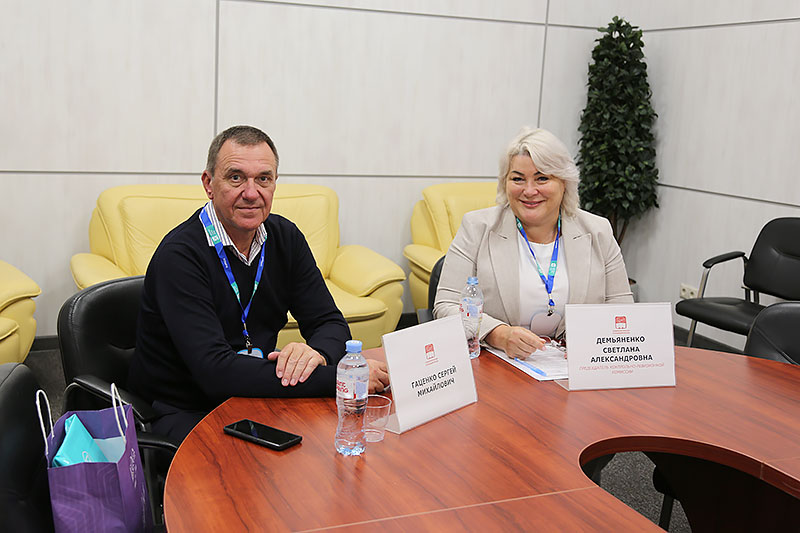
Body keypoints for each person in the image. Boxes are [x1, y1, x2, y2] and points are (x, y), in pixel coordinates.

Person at [128, 125, 390, 443]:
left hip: (255, 393)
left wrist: (317, 355)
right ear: (209, 184)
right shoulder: (180, 255)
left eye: (263, 179)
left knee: (335, 447)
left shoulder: (285, 238)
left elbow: (329, 322)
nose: (251, 193)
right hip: (186, 409)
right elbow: (215, 372)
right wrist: (340, 377)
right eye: (236, 178)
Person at [434, 127, 634, 358]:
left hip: (576, 365)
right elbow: (446, 305)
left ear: (564, 182)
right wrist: (499, 334)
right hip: (498, 364)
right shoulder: (477, 227)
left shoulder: (598, 231)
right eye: (518, 179)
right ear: (505, 183)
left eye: (542, 178)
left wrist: (594, 339)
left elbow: (622, 309)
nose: (529, 191)